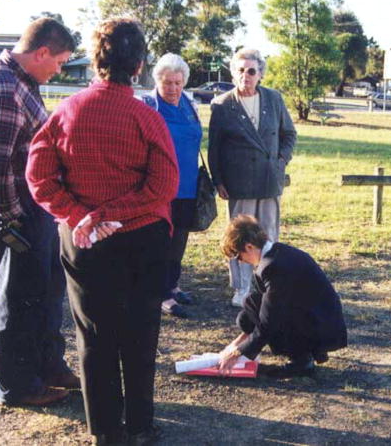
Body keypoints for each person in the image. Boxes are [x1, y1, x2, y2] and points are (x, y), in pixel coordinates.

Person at [26, 18, 178, 445]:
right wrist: (114, 212)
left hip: (86, 240)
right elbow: (163, 185)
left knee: (94, 335)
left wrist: (82, 215)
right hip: (142, 238)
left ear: (95, 61)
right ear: (139, 65)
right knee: (141, 331)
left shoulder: (66, 112)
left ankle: (107, 432)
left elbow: (38, 176)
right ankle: (141, 424)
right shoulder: (146, 119)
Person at [0, 17, 78, 407]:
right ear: (41, 52)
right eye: (60, 61)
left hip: (30, 202)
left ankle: (48, 364)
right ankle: (18, 384)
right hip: (9, 203)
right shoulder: (3, 85)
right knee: (19, 295)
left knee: (47, 286)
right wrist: (13, 218)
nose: (60, 69)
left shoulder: (21, 80)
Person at [208, 48, 296, 307]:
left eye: (251, 71)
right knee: (240, 236)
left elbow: (289, 135)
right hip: (239, 183)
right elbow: (215, 148)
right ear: (233, 72)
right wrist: (218, 181)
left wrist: (280, 161)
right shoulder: (222, 104)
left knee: (267, 233)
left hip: (269, 180)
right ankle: (241, 287)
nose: (245, 75)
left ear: (260, 74)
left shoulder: (273, 99)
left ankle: (268, 282)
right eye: (240, 70)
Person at [218, 214, 347, 378]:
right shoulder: (276, 253)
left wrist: (238, 352)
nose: (240, 262)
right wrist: (235, 345)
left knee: (265, 314)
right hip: (314, 317)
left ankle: (301, 360)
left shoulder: (274, 268)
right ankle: (303, 354)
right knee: (249, 310)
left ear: (249, 247)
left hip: (321, 327)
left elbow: (268, 322)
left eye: (238, 256)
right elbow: (263, 308)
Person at [140, 53, 202, 319]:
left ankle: (173, 286)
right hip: (159, 188)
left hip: (188, 185)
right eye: (168, 83)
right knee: (160, 242)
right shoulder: (146, 105)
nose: (173, 88)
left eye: (178, 82)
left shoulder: (190, 106)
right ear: (158, 81)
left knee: (180, 240)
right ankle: (160, 294)